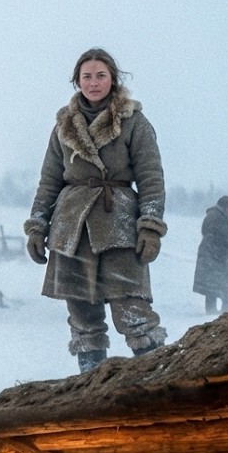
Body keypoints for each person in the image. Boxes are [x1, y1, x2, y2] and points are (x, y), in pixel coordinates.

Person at [24, 47, 168, 374]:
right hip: (71, 229)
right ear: (77, 81)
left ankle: (159, 383)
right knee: (84, 320)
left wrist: (150, 226)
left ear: (112, 79)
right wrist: (37, 225)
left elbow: (150, 176)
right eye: (86, 76)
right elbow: (49, 179)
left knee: (133, 313)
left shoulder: (133, 121)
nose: (93, 82)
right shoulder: (64, 124)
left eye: (100, 75)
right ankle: (91, 389)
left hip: (119, 227)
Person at [192, 195, 228, 314]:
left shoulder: (214, 215)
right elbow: (223, 236)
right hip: (214, 254)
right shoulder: (217, 217)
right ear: (226, 207)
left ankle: (212, 310)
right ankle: (220, 311)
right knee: (220, 283)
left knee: (211, 285)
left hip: (210, 253)